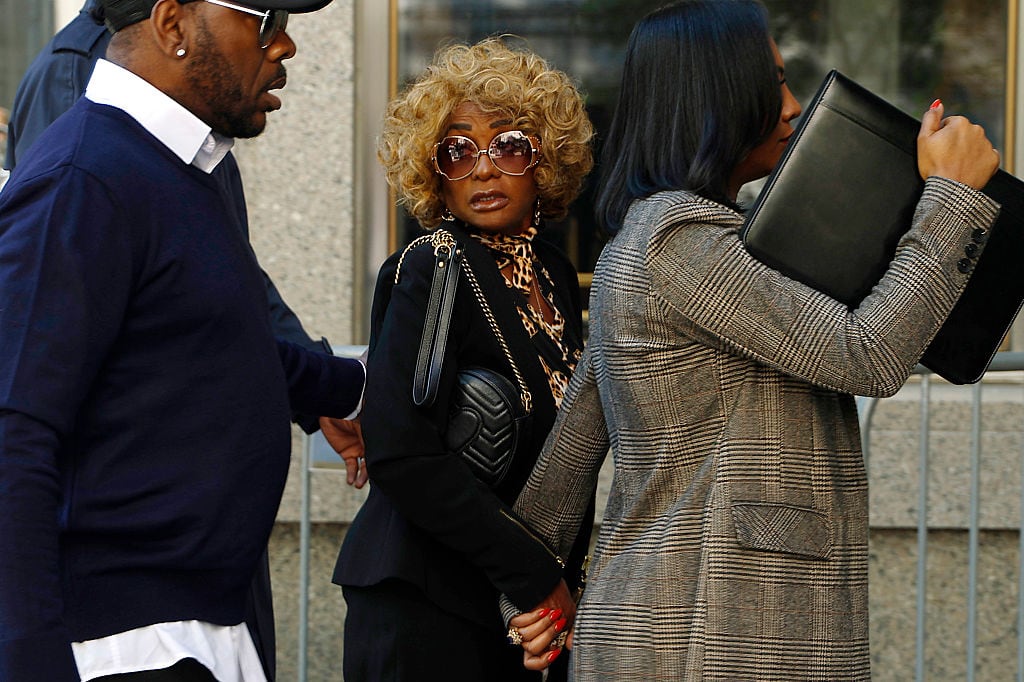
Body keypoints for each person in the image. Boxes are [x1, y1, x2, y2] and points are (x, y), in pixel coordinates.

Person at [504, 1, 1001, 679]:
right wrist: (950, 200)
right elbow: (870, 353)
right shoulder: (679, 241)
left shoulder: (653, 240)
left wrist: (535, 587)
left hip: (680, 625)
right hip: (715, 629)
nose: (795, 107)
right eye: (774, 85)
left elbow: (578, 435)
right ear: (716, 96)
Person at [0, 0, 366, 679]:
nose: (285, 46)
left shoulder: (189, 167)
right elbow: (15, 429)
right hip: (128, 644)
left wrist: (353, 393)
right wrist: (30, 658)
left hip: (206, 630)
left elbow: (198, 338)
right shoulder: (81, 179)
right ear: (171, 24)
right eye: (267, 20)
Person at [331, 37, 595, 681]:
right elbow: (400, 448)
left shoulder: (556, 277)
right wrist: (536, 578)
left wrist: (553, 583)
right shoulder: (432, 267)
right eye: (457, 151)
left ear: (546, 161)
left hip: (505, 605)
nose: (482, 169)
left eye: (508, 146)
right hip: (423, 604)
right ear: (434, 172)